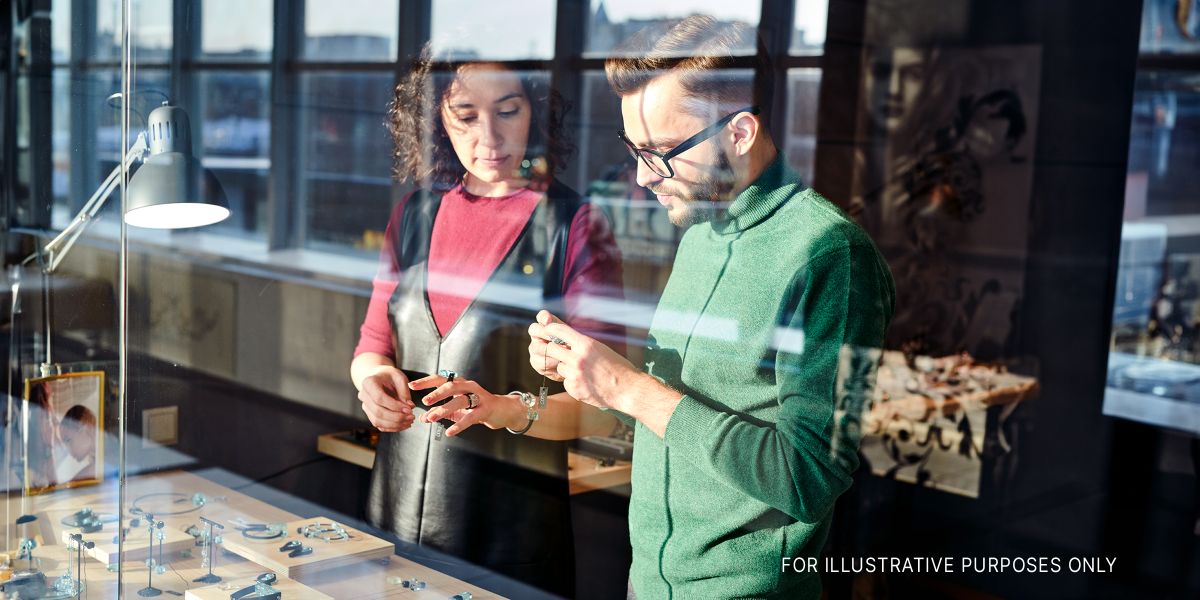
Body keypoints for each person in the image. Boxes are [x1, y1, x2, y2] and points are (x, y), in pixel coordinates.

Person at [420, 16, 896, 599]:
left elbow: (808, 480)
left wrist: (627, 387)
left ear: (740, 133)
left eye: (663, 151)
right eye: (635, 150)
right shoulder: (703, 229)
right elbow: (667, 418)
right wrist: (538, 395)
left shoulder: (830, 255)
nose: (644, 177)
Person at [349, 47, 623, 596]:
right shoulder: (413, 215)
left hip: (510, 538)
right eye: (466, 116)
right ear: (438, 121)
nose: (489, 137)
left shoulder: (574, 226)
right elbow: (372, 348)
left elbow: (605, 408)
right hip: (393, 518)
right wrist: (371, 384)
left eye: (508, 111)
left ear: (535, 112)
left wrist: (501, 409)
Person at [53, 405, 98, 484]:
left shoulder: (100, 465)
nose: (68, 450)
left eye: (68, 441)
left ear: (85, 428)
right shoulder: (98, 460)